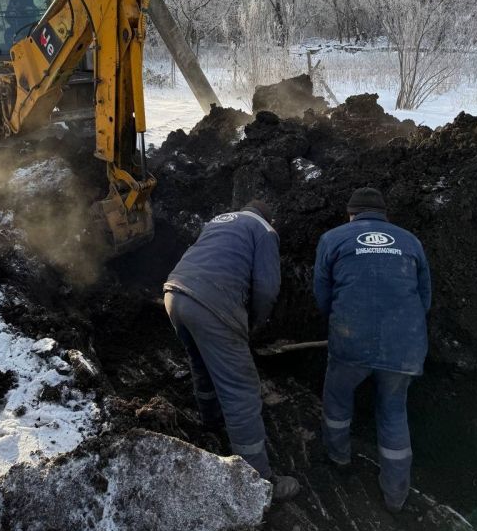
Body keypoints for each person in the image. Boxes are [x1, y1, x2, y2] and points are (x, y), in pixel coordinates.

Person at [164, 200, 300, 501]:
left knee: (201, 362)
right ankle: (257, 482)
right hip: (211, 300)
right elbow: (266, 287)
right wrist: (253, 324)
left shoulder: (217, 220)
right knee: (240, 388)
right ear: (270, 217)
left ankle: (211, 421)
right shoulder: (264, 230)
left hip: (174, 292)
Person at [313, 187, 431, 513]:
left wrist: (341, 325)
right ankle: (396, 496)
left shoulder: (333, 238)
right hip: (405, 346)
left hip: (350, 340)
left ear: (351, 213)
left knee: (337, 399)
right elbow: (425, 298)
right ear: (385, 215)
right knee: (393, 411)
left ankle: (338, 459)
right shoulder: (410, 241)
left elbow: (322, 295)